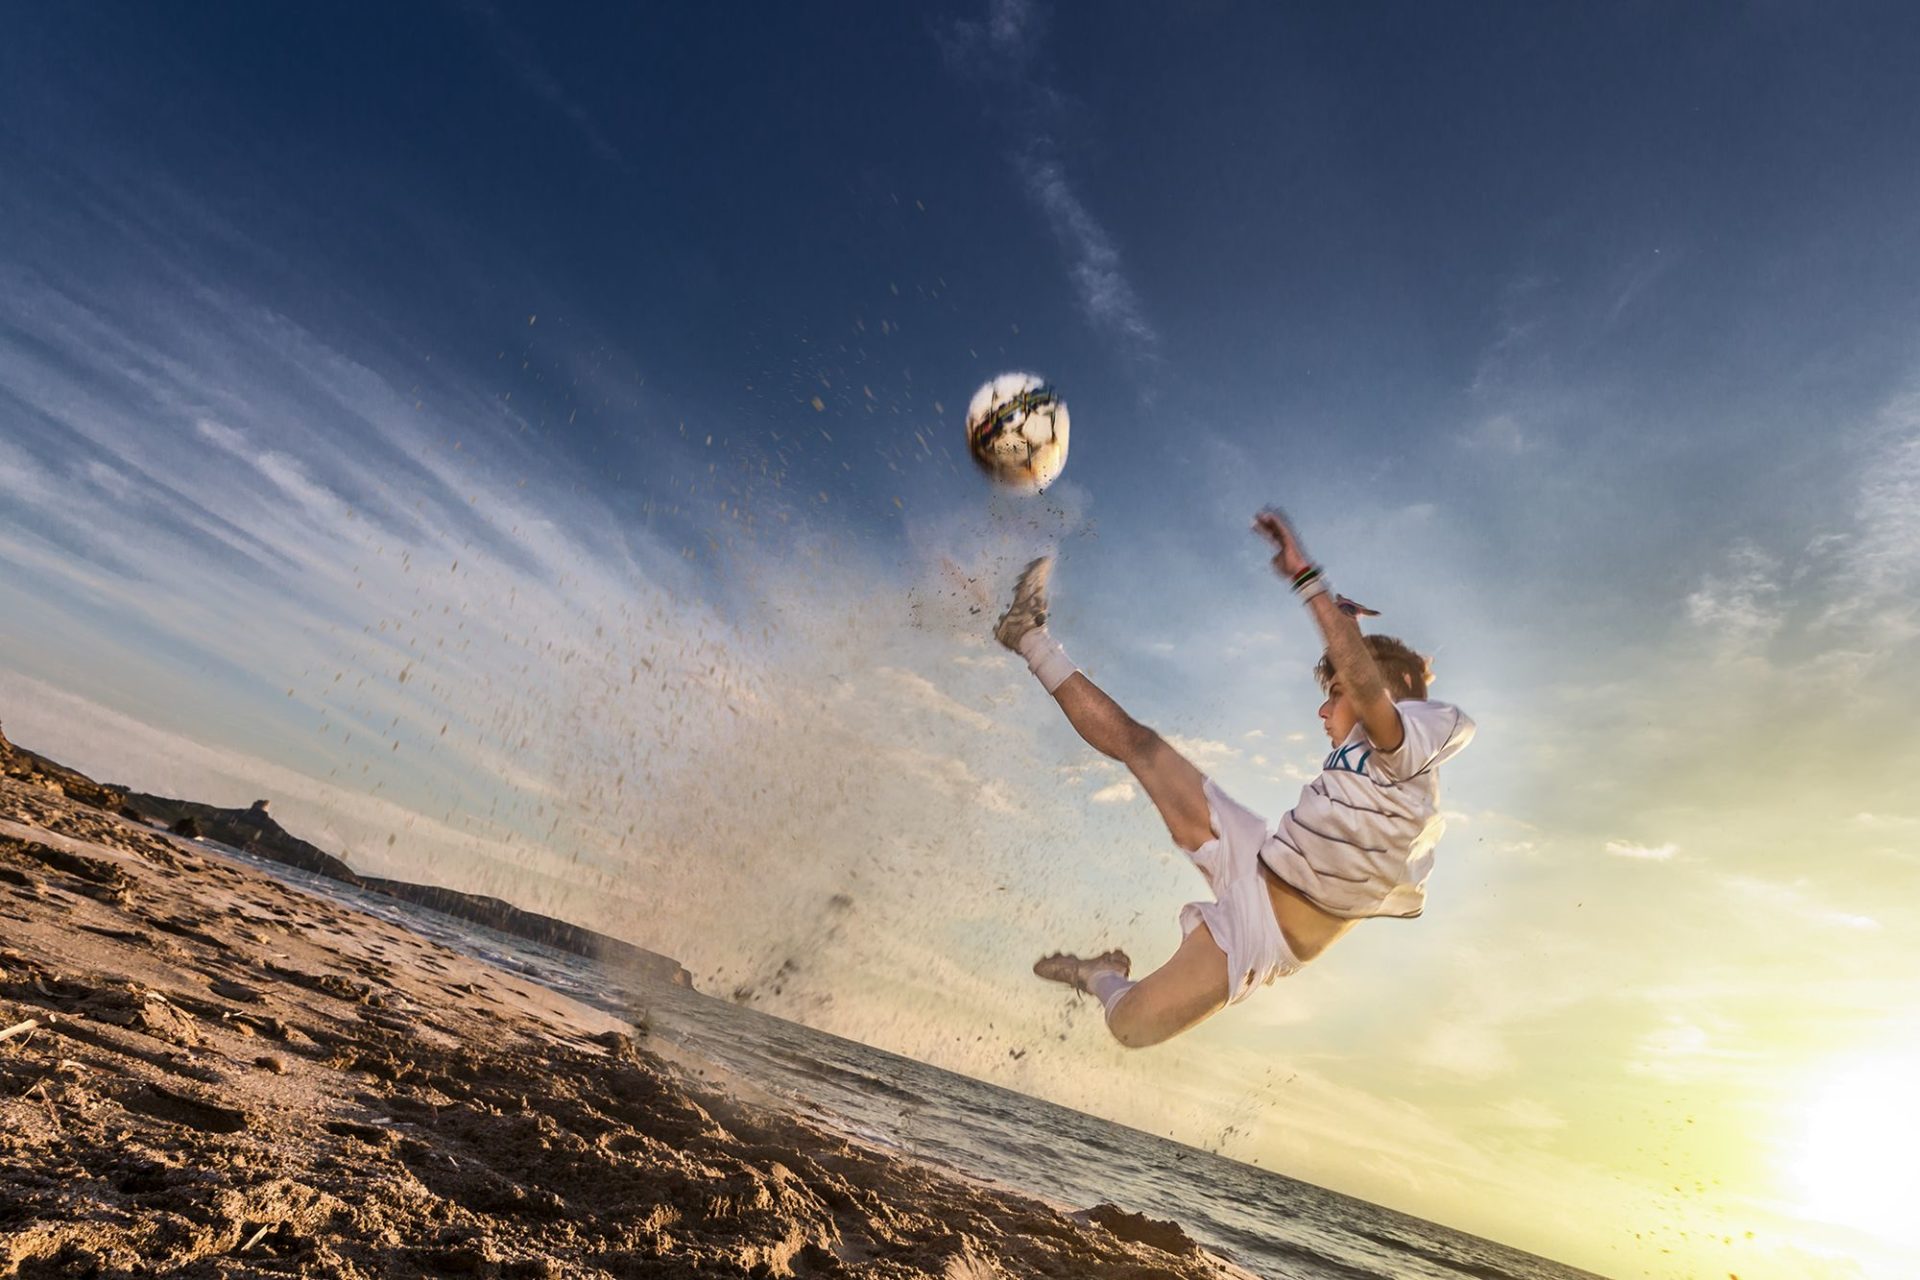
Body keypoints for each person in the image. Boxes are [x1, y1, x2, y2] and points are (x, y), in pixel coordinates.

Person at [997, 507, 1474, 1047]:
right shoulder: (1372, 747)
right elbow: (1368, 685)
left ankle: (1096, 974)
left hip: (1263, 936)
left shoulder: (1414, 743)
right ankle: (1028, 637)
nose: (1323, 713)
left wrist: (1308, 581)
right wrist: (1347, 635)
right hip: (1257, 855)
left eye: (1333, 694)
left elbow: (1374, 690)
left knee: (1132, 1026)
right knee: (1143, 747)